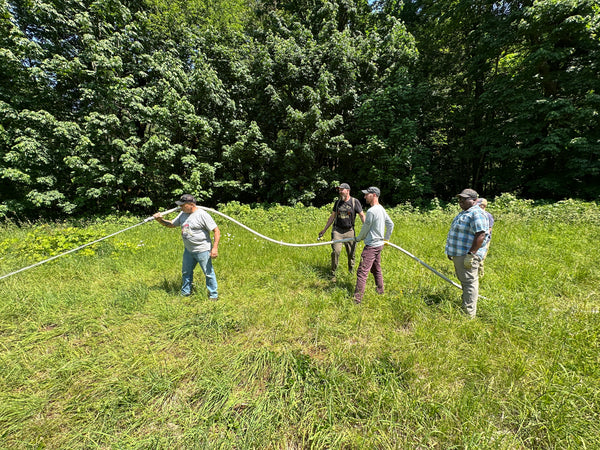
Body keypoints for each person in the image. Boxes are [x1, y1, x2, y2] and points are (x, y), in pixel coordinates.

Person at [154, 194, 220, 299]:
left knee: (208, 273)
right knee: (186, 272)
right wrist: (160, 220)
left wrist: (214, 248)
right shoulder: (183, 214)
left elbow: (216, 231)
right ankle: (185, 293)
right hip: (189, 250)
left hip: (202, 249)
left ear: (191, 204)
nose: (180, 207)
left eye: (182, 205)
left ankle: (213, 295)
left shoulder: (202, 215)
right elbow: (172, 224)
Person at [445, 188, 489, 317]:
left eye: (464, 199)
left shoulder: (477, 213)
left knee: (469, 282)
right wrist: (451, 251)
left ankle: (468, 314)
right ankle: (466, 304)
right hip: (459, 253)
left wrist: (471, 254)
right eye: (459, 199)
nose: (461, 202)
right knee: (465, 281)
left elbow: (481, 234)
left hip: (467, 255)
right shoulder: (465, 213)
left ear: (474, 200)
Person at [353, 187, 394, 304]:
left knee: (362, 272)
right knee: (376, 269)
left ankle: (357, 300)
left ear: (374, 195)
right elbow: (391, 224)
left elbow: (365, 227)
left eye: (367, 194)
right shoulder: (381, 209)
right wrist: (386, 239)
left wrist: (358, 238)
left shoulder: (372, 211)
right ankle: (380, 292)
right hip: (379, 245)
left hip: (371, 246)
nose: (365, 196)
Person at [319, 183, 366, 279]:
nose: (340, 192)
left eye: (342, 190)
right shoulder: (337, 203)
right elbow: (332, 216)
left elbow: (362, 215)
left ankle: (351, 270)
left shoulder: (354, 202)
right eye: (339, 190)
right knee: (336, 251)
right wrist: (324, 230)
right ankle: (333, 273)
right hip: (337, 231)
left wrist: (367, 229)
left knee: (351, 253)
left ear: (347, 191)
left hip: (350, 231)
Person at [476, 197, 494, 277]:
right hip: (475, 240)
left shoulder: (488, 216)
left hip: (484, 241)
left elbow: (488, 230)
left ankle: (481, 275)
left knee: (480, 259)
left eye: (479, 205)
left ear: (483, 206)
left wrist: (482, 242)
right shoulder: (475, 214)